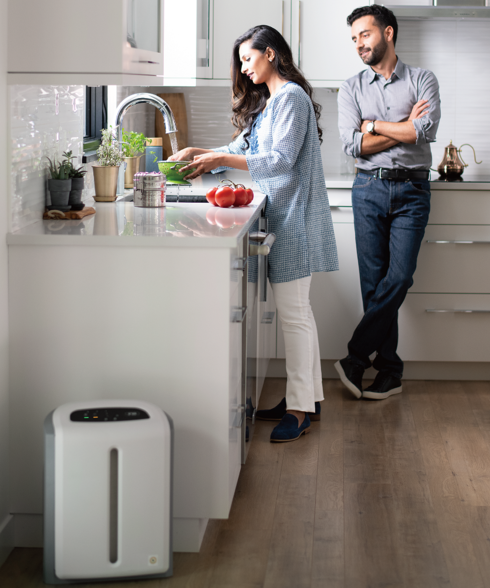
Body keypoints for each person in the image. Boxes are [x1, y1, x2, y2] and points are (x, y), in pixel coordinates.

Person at [170, 25, 338, 442]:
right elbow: (246, 152)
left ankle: (298, 410)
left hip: (294, 216)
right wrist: (199, 154)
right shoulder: (272, 102)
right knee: (299, 313)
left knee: (295, 314)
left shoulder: (292, 99)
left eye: (248, 58)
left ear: (272, 54)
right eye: (241, 62)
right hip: (282, 214)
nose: (244, 69)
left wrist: (218, 158)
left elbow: (278, 160)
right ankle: (308, 398)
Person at [335, 4, 441, 400]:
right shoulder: (351, 87)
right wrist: (402, 128)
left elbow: (424, 130)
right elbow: (352, 145)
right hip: (368, 190)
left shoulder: (422, 79)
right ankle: (390, 370)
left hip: (412, 190)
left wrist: (374, 125)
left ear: (388, 33)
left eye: (365, 34)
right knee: (374, 284)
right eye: (355, 38)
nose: (359, 43)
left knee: (398, 278)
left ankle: (356, 357)